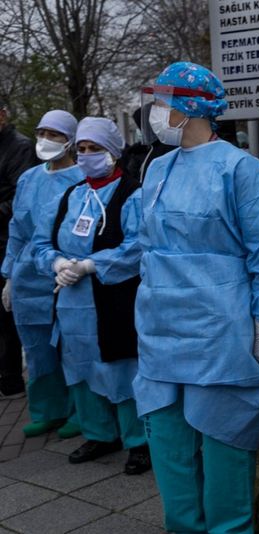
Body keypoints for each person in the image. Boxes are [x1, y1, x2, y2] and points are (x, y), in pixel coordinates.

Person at [134, 62, 259, 533]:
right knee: (167, 437)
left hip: (218, 328)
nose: (156, 113)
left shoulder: (242, 170)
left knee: (225, 435)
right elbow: (145, 243)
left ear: (190, 108)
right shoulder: (157, 168)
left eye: (164, 103)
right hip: (160, 324)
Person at [32, 117, 150, 475]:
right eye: (80, 149)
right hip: (72, 304)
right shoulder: (74, 195)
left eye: (94, 149)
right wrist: (57, 264)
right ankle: (99, 433)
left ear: (113, 153)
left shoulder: (133, 193)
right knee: (80, 367)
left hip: (114, 300)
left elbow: (138, 246)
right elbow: (41, 243)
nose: (86, 156)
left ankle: (138, 442)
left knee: (122, 369)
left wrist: (89, 266)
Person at [1, 110, 84, 437]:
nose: (46, 141)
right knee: (37, 349)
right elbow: (18, 229)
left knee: (72, 347)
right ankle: (49, 410)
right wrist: (9, 274)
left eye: (55, 135)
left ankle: (80, 412)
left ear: (71, 141)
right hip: (28, 276)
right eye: (42, 133)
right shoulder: (29, 179)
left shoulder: (81, 179)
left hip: (66, 274)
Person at [0, 97, 38, 399]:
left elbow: (21, 201)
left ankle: (11, 378)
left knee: (7, 314)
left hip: (7, 242)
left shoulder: (19, 148)